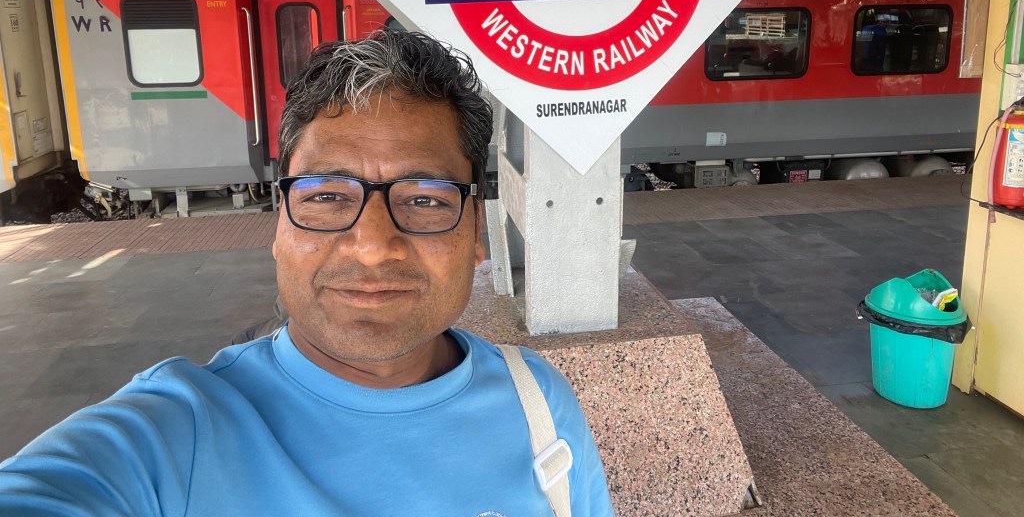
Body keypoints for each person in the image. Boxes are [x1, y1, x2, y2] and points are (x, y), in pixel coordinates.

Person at [0, 30, 613, 516]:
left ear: (476, 229)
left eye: (424, 198)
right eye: (325, 197)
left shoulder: (538, 401)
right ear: (279, 229)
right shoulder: (174, 434)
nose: (373, 247)